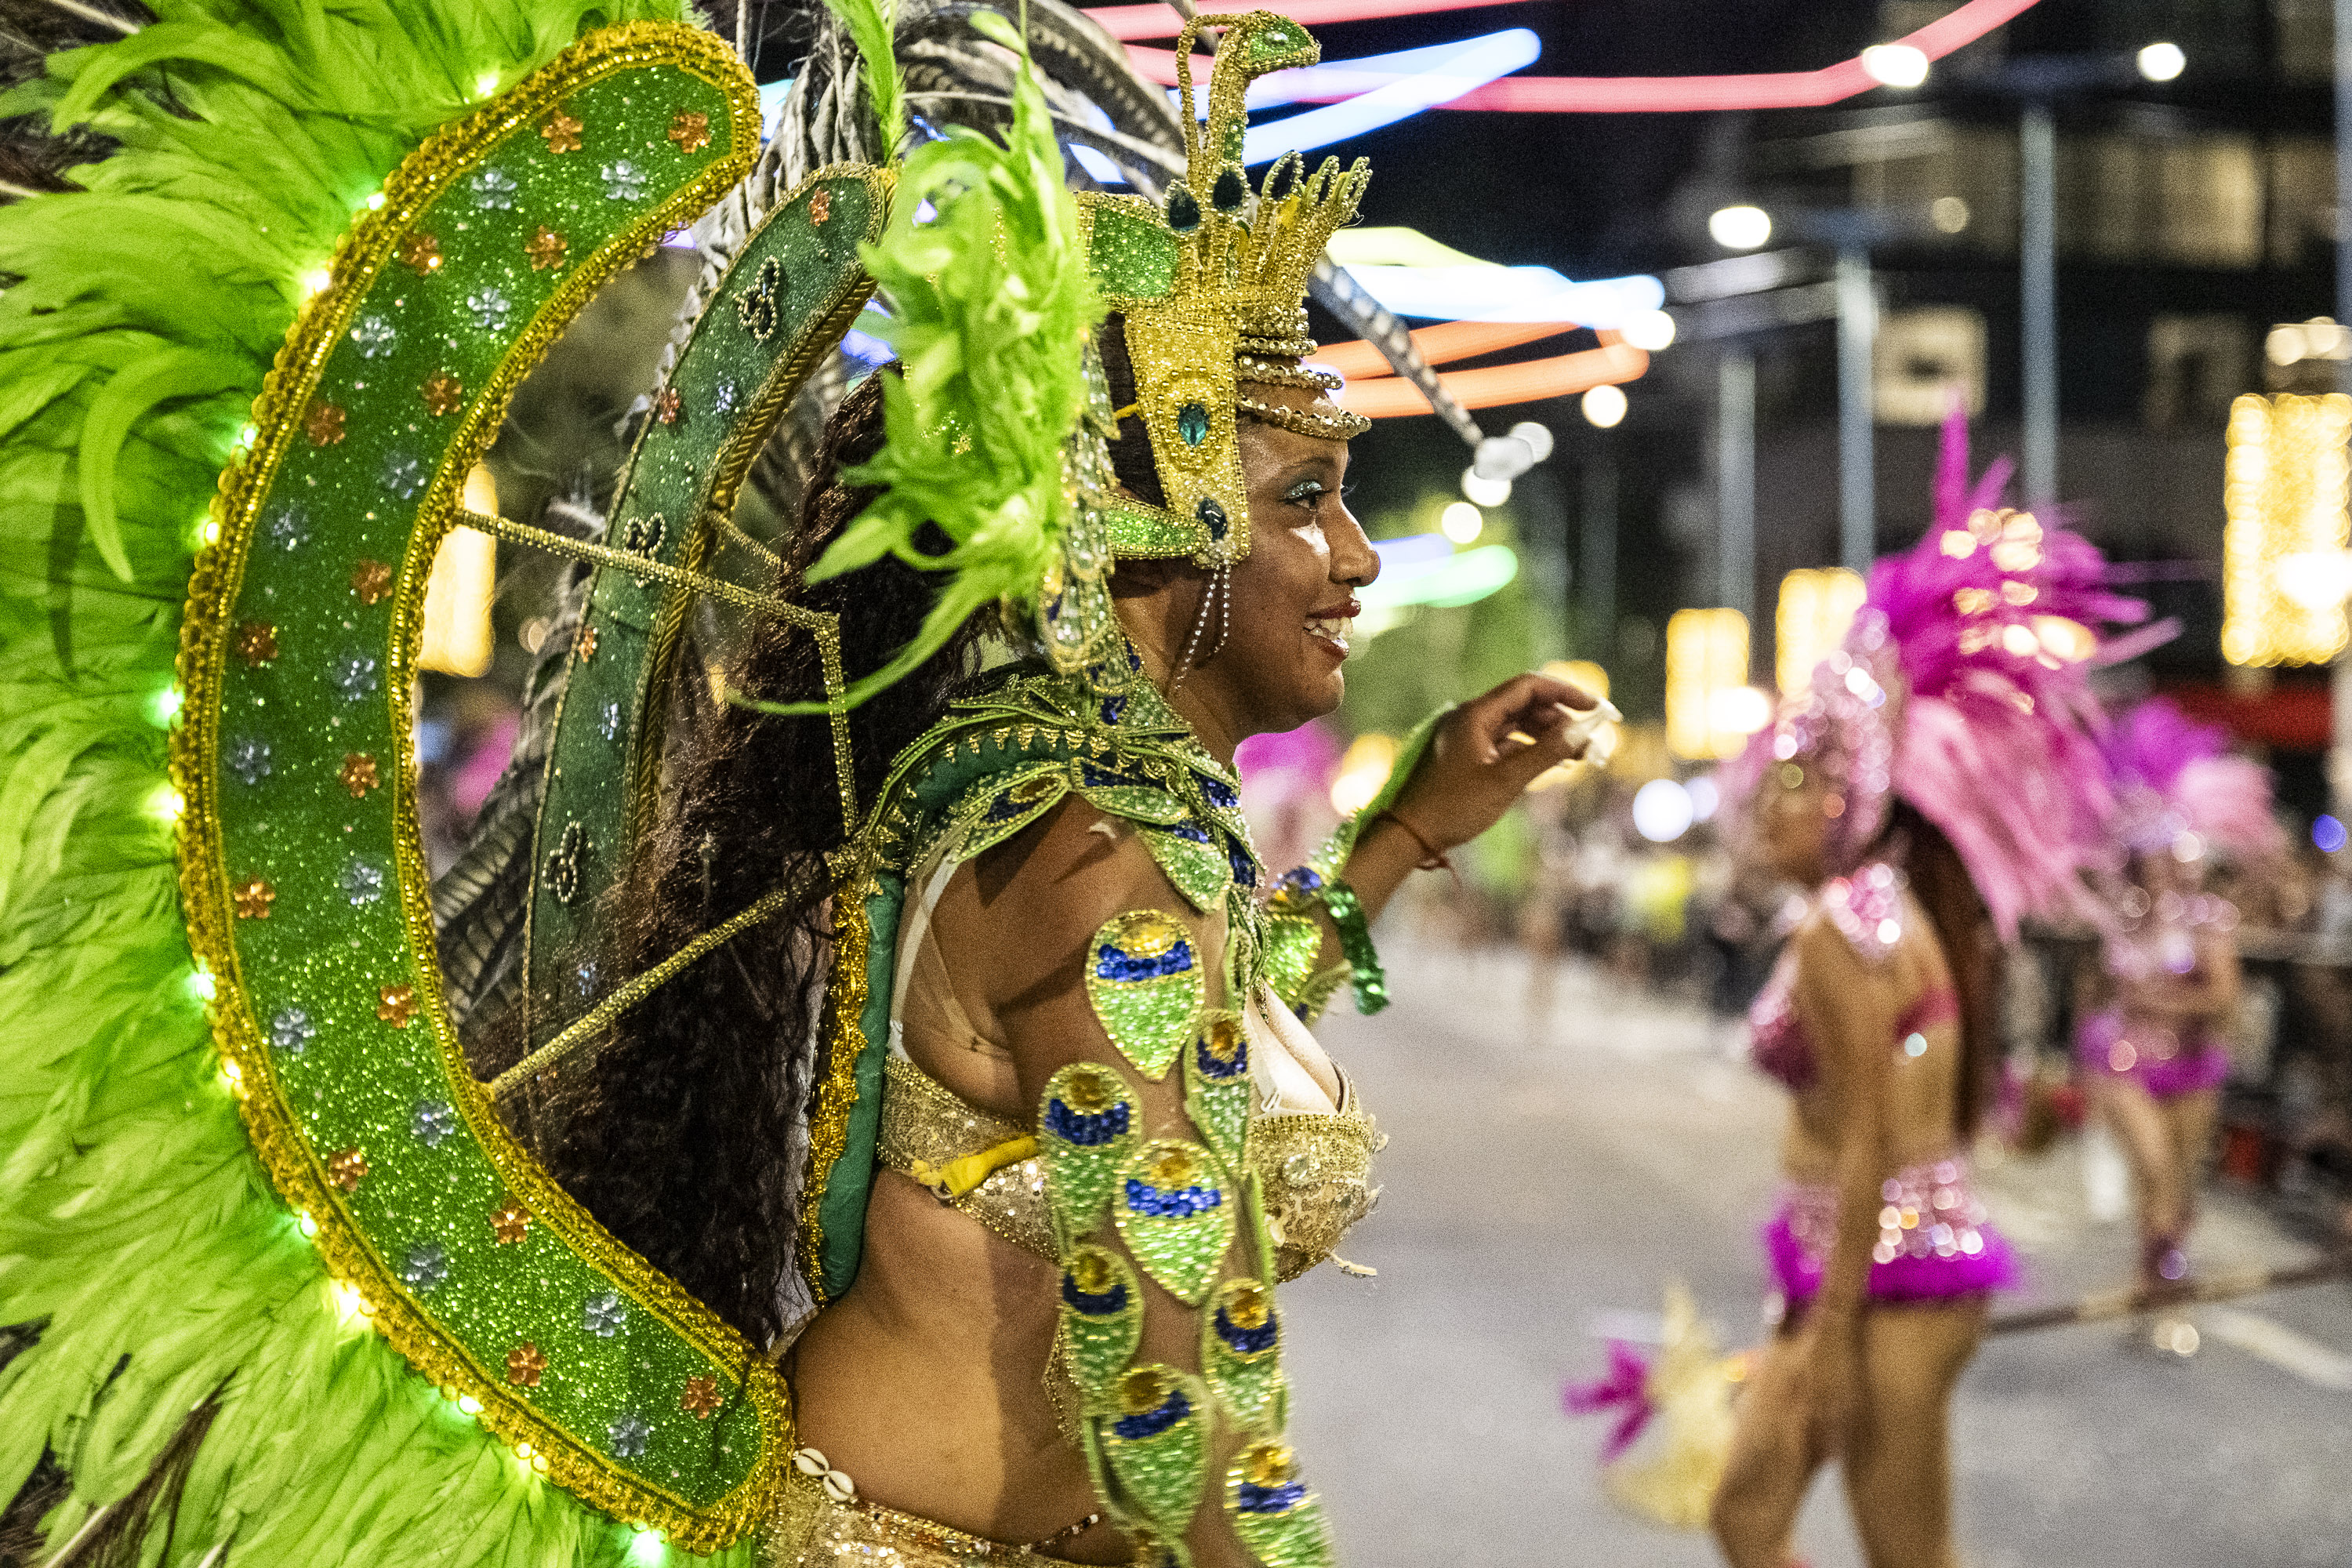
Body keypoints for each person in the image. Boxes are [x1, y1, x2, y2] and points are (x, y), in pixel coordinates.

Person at [1708, 417, 2137, 1568]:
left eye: (1797, 778)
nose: (1765, 803)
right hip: (1870, 1263)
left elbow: (1867, 1148)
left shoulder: (1845, 933)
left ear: (1852, 800)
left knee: (1862, 1544)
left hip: (1885, 1272)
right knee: (1761, 1517)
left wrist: (1835, 1337)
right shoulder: (1885, 910)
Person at [2077, 699, 2281, 1333]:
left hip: (2193, 1063)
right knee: (2155, 1165)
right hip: (2126, 1060)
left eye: (2177, 852)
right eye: (2155, 853)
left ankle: (2154, 1280)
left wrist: (2167, 1000)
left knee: (2178, 1185)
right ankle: (2168, 1292)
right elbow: (2104, 992)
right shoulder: (2123, 917)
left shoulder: (2209, 919)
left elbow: (2223, 995)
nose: (2168, 864)